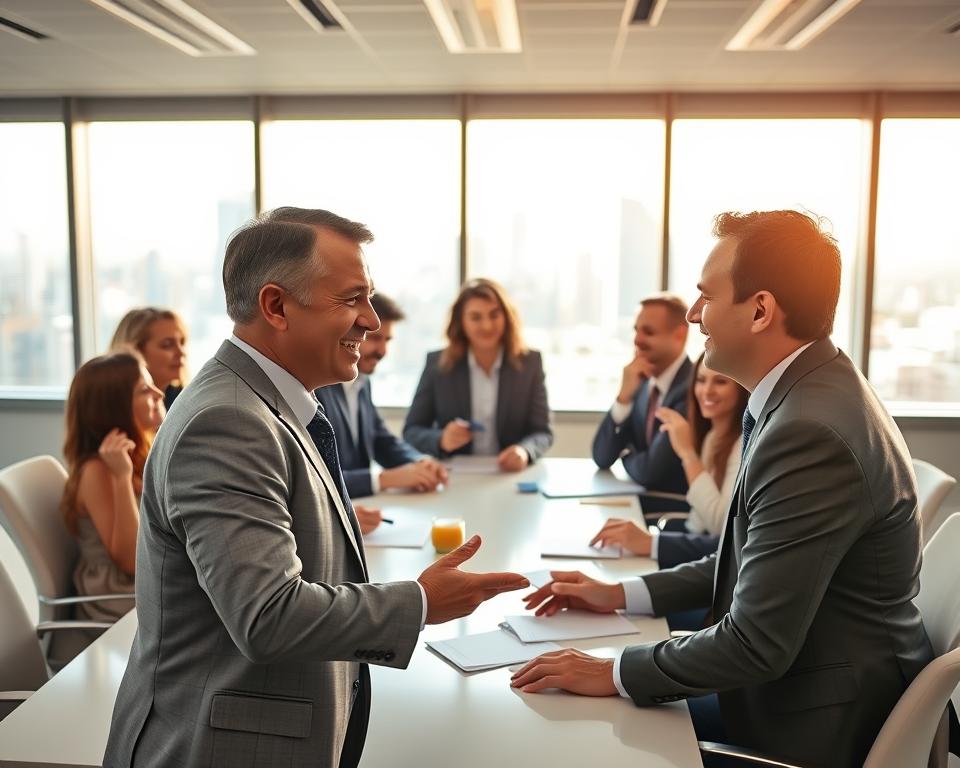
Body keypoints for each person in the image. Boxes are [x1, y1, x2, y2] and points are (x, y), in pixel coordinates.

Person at [103, 207, 529, 768]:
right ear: (276, 306)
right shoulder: (227, 422)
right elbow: (269, 615)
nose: (372, 322)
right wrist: (420, 602)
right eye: (352, 300)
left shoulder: (273, 406)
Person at [512, 210, 933, 768]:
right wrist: (621, 594)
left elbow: (755, 643)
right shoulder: (809, 392)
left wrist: (611, 670)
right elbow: (745, 560)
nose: (694, 314)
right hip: (803, 690)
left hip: (812, 724)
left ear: (760, 310)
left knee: (578, 738)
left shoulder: (809, 429)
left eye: (705, 296)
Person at [590, 353, 748, 569]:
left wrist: (687, 454)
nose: (707, 391)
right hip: (696, 545)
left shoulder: (741, 444)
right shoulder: (713, 437)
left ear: (740, 388)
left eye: (720, 382)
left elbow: (719, 527)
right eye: (701, 380)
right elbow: (697, 522)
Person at [316, 292, 447, 535]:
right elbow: (318, 477)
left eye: (388, 340)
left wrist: (420, 462)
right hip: (336, 525)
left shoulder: (362, 381)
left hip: (367, 518)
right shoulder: (318, 387)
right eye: (375, 338)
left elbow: (380, 439)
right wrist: (384, 479)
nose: (383, 350)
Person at [402, 278, 553, 472]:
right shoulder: (437, 364)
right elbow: (411, 431)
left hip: (510, 475)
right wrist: (441, 440)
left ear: (507, 317)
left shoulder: (530, 363)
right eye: (475, 317)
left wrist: (525, 451)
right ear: (461, 322)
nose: (487, 326)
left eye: (494, 315)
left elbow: (542, 431)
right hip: (455, 476)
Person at [61, 351, 165, 622]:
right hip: (118, 598)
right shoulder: (97, 471)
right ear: (114, 407)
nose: (159, 393)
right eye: (145, 390)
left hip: (143, 584)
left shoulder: (140, 452)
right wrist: (121, 477)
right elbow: (131, 561)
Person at [591, 293, 692, 496]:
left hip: (674, 510)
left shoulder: (692, 388)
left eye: (648, 332)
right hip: (640, 504)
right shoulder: (640, 383)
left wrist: (626, 453)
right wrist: (623, 398)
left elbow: (650, 472)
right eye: (636, 330)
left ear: (679, 336)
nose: (637, 339)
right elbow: (601, 457)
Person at [110, 306, 188, 411]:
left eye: (182, 342)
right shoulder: (113, 411)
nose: (181, 352)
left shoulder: (185, 400)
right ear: (136, 352)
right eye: (167, 344)